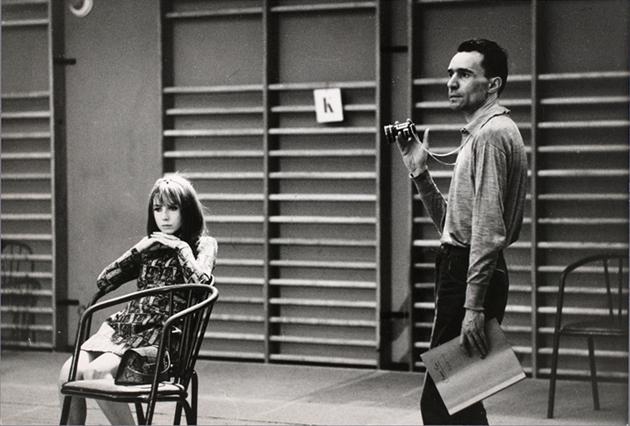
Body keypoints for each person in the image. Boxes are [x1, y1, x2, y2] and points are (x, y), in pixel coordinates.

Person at [395, 38, 528, 425]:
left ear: (493, 85)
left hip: (469, 271)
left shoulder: (490, 135)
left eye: (465, 74)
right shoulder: (484, 133)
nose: (451, 82)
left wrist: (473, 306)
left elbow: (486, 231)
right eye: (451, 72)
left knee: (441, 404)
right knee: (462, 401)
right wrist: (420, 173)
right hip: (464, 267)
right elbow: (454, 225)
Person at [58, 174, 218, 425]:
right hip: (124, 329)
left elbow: (201, 287)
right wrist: (139, 249)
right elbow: (104, 281)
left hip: (161, 337)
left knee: (96, 372)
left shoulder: (202, 245)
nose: (164, 216)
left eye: (172, 208)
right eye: (158, 209)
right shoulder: (151, 247)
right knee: (67, 372)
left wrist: (180, 248)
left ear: (186, 209)